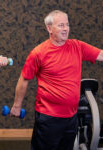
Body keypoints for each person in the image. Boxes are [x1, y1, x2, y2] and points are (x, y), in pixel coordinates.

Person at [10, 10, 103, 150]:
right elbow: (24, 79)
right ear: (49, 28)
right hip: (49, 117)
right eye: (61, 25)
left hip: (71, 116)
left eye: (67, 24)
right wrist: (17, 106)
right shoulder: (38, 53)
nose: (65, 28)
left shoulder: (77, 46)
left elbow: (101, 55)